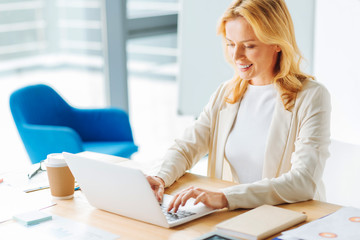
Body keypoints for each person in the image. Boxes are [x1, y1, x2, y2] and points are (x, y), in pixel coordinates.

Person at [147, 0, 331, 213]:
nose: (236, 56)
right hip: (234, 216)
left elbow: (303, 181)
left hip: (289, 217)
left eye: (249, 46)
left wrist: (226, 197)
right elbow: (187, 147)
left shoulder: (311, 96)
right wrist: (159, 177)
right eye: (230, 43)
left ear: (277, 43)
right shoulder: (226, 93)